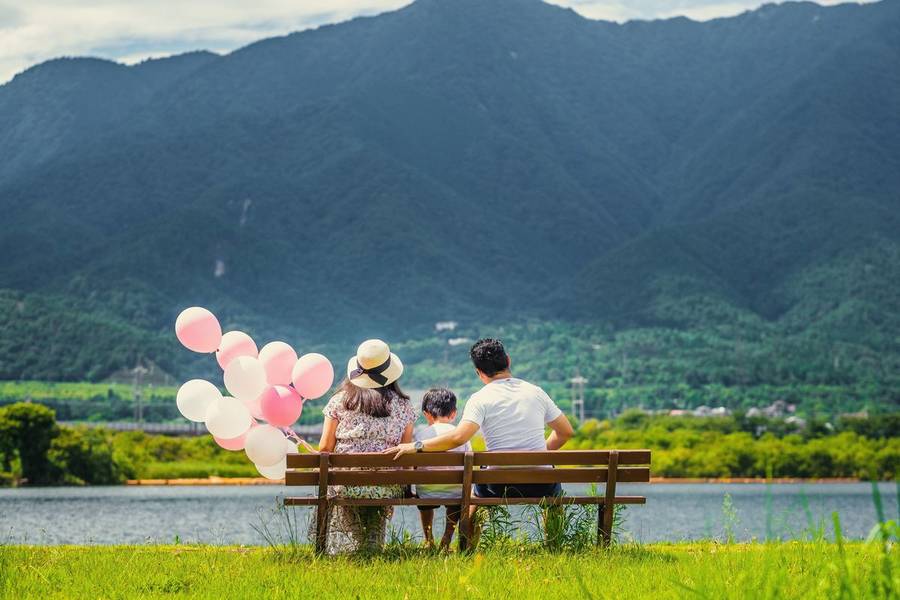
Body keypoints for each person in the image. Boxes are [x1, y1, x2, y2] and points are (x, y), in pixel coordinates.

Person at [386, 338, 574, 499]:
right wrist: (536, 454)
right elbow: (565, 432)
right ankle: (553, 538)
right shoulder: (536, 392)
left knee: (475, 499)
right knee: (552, 484)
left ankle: (468, 540)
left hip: (498, 484)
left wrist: (415, 446)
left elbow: (458, 438)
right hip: (540, 482)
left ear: (479, 372)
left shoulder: (480, 398)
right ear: (508, 360)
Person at [313, 339, 417, 554]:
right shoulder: (404, 405)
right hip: (387, 485)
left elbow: (325, 447)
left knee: (349, 482)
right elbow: (406, 453)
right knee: (379, 484)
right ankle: (371, 546)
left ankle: (362, 547)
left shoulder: (339, 401)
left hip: (345, 484)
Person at [413, 387, 472, 549]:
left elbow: (414, 466)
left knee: (422, 493)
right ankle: (447, 538)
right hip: (456, 492)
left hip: (426, 492)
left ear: (426, 414)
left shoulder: (421, 436)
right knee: (456, 498)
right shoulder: (460, 435)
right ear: (453, 413)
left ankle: (428, 539)